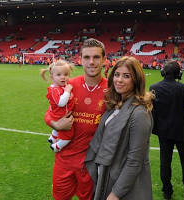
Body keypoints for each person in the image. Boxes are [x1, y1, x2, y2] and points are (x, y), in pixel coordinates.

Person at [46, 38, 108, 200]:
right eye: (87, 57)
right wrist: (56, 124)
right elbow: (49, 114)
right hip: (64, 161)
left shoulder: (111, 90)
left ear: (104, 60)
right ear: (80, 60)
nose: (91, 62)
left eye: (96, 57)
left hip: (90, 164)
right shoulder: (68, 85)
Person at [85, 56, 154, 200]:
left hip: (124, 187)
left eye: (126, 76)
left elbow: (135, 161)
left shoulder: (139, 113)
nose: (119, 80)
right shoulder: (115, 105)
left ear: (136, 80)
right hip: (106, 176)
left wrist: (115, 194)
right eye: (117, 74)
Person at [150, 60, 184, 200]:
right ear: (179, 73)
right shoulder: (183, 88)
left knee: (165, 162)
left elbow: (152, 110)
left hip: (163, 131)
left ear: (163, 73)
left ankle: (167, 192)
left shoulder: (154, 87)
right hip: (181, 131)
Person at [40, 60, 74, 152]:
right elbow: (61, 103)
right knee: (68, 137)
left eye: (66, 74)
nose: (63, 77)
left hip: (57, 114)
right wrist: (67, 91)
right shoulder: (55, 89)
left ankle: (53, 137)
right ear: (52, 77)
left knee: (58, 130)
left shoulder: (59, 87)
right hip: (60, 116)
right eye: (59, 75)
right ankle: (56, 147)